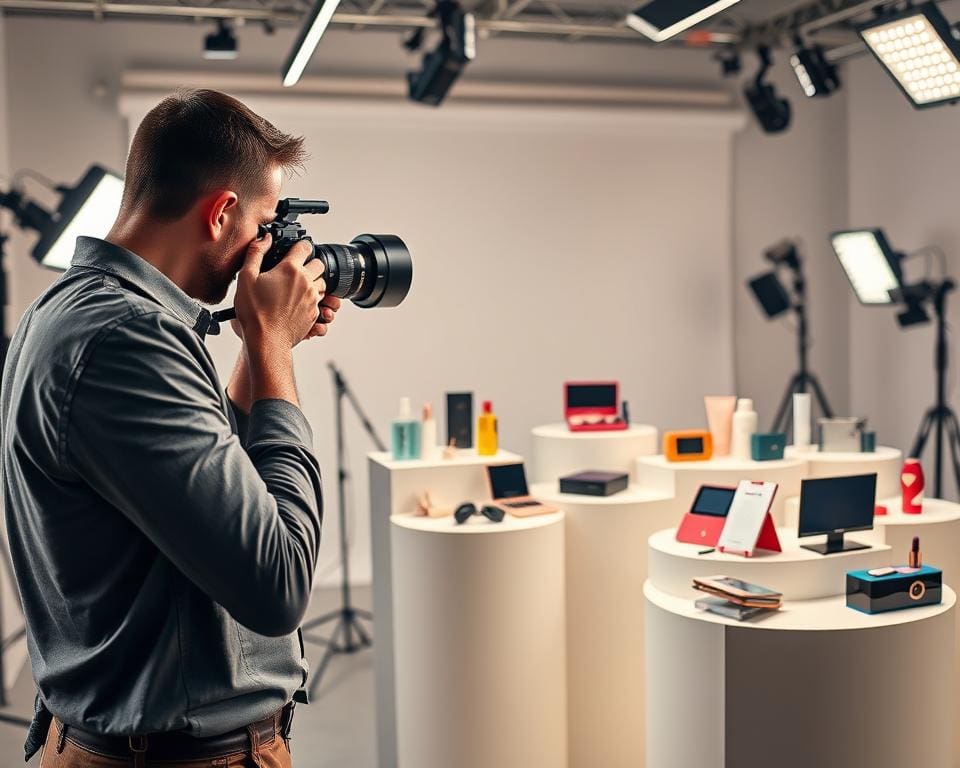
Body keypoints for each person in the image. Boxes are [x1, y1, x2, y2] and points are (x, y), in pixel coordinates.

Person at [0, 88, 336, 767]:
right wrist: (271, 343)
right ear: (221, 213)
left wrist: (256, 343)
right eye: (266, 222)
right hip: (177, 757)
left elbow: (216, 495)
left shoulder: (72, 311)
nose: (272, 245)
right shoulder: (129, 339)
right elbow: (277, 582)